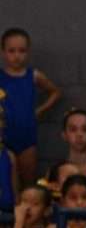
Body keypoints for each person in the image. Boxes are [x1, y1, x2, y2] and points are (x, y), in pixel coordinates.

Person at [0, 27, 61, 184]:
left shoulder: (33, 75)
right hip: (4, 137)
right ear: (3, 52)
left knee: (28, 182)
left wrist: (40, 110)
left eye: (21, 51)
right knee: (7, 184)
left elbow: (55, 92)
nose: (16, 56)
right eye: (11, 51)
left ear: (28, 52)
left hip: (27, 138)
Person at [61, 108, 86, 178]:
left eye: (85, 129)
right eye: (73, 129)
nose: (79, 134)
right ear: (64, 135)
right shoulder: (58, 171)